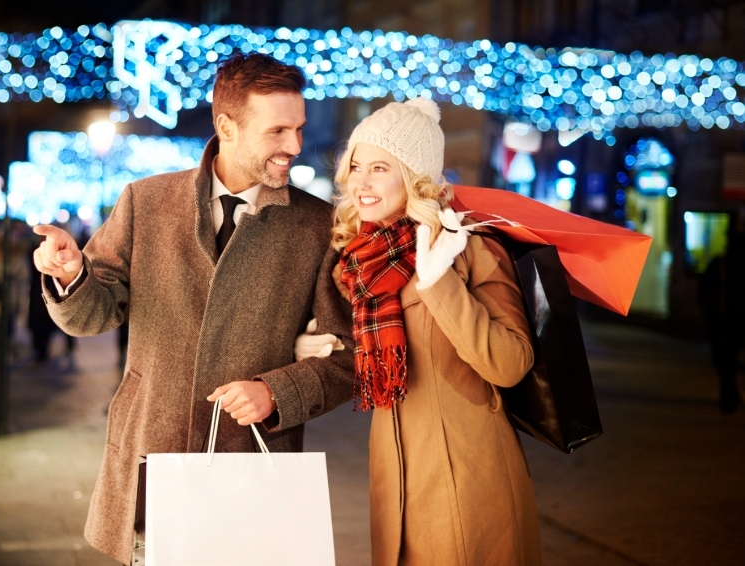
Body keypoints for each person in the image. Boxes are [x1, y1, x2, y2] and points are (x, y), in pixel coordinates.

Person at [31, 53, 354, 565]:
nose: (294, 146)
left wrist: (277, 391)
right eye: (277, 131)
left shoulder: (319, 226)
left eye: (298, 129)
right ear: (227, 126)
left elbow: (348, 358)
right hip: (150, 451)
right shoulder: (145, 201)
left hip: (252, 462)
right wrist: (72, 274)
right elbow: (95, 316)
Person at [303, 98, 540, 565]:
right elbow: (371, 353)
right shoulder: (358, 261)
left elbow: (511, 364)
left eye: (380, 167)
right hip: (394, 479)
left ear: (414, 176)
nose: (362, 182)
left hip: (466, 476)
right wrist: (316, 341)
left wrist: (439, 282)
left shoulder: (466, 246)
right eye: (355, 166)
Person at [698, 217, 745, 413]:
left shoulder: (720, 263)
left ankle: (728, 392)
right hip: (740, 320)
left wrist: (707, 311)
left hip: (720, 319)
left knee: (722, 357)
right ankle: (730, 391)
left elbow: (702, 290)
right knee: (732, 356)